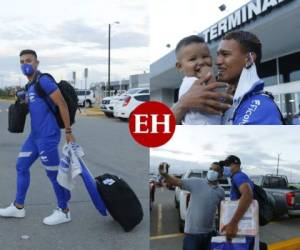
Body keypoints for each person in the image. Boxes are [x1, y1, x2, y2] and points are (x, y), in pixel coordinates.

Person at [0, 49, 75, 225]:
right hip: (34, 137)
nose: (25, 64)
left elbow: (62, 104)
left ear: (36, 63)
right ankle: (18, 207)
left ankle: (64, 210)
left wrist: (69, 132)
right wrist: (23, 100)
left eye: (28, 61)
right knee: (21, 165)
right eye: (22, 62)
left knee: (53, 173)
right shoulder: (30, 86)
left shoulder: (44, 81)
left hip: (48, 136)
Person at [216, 31, 283, 125]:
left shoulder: (261, 106)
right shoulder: (223, 102)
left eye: (225, 54)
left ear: (249, 59)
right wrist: (187, 106)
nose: (218, 61)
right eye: (218, 55)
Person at [159, 162, 225, 250]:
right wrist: (165, 174)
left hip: (210, 233)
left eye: (216, 170)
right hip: (192, 233)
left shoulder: (221, 191)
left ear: (221, 175)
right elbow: (176, 181)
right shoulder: (196, 182)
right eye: (211, 169)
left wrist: (222, 229)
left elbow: (222, 212)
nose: (212, 171)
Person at [175, 35, 223, 125]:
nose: (201, 62)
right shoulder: (191, 82)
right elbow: (215, 98)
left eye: (205, 56)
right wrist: (210, 76)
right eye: (193, 59)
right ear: (180, 66)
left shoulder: (197, 80)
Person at [221, 155, 255, 250]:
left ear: (237, 165)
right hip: (244, 226)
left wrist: (233, 223)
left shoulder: (238, 176)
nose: (225, 167)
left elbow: (247, 195)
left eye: (228, 165)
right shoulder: (239, 177)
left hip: (242, 228)